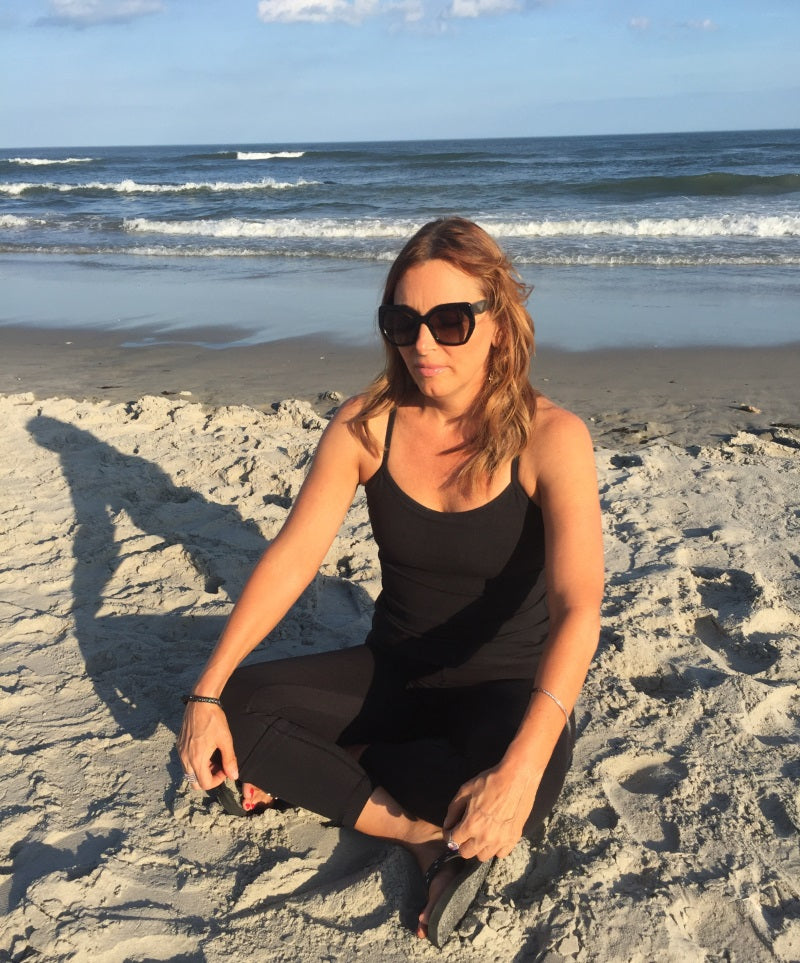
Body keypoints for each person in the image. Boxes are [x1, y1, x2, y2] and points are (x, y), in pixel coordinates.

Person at [177, 216, 603, 946]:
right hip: (393, 673)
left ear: (497, 324)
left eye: (450, 321)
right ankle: (412, 834)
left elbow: (578, 607)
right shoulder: (366, 425)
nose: (424, 345)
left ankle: (333, 775)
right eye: (404, 322)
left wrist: (524, 765)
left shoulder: (551, 437)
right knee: (242, 707)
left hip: (503, 693)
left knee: (514, 799)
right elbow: (293, 556)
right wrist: (207, 689)